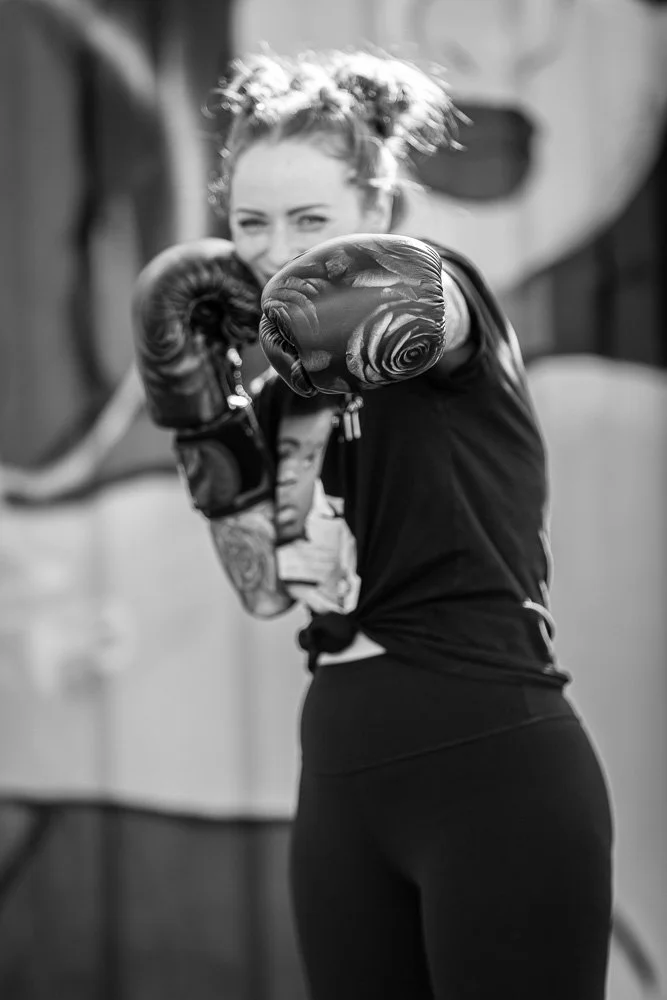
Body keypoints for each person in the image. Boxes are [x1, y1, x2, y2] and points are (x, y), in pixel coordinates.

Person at [133, 50, 613, 1000]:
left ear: (377, 214)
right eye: (251, 222)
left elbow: (391, 308)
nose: (273, 249)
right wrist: (201, 420)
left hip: (489, 760)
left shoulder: (445, 302)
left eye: (310, 221)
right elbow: (266, 588)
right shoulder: (280, 398)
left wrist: (283, 321)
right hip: (345, 775)